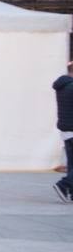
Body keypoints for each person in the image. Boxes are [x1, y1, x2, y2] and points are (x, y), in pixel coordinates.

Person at [54, 63, 73, 203]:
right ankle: (63, 185)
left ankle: (71, 192)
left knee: (71, 164)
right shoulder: (71, 86)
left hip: (66, 129)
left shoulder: (62, 85)